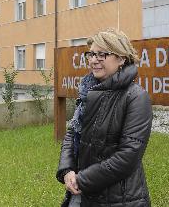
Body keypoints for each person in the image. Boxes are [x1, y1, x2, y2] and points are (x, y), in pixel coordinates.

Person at [56, 29, 153, 206]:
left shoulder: (136, 97)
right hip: (81, 193)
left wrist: (82, 179)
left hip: (118, 198)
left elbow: (128, 156)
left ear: (122, 58)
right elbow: (73, 134)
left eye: (102, 55)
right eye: (91, 54)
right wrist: (67, 170)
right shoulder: (88, 91)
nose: (93, 60)